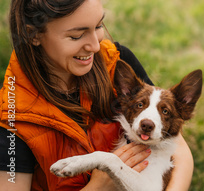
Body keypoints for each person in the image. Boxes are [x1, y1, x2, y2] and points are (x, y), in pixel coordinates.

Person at [0, 0, 194, 190]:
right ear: (33, 34)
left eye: (99, 25)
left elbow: (179, 150)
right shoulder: (12, 116)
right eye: (76, 35)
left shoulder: (116, 61)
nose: (95, 46)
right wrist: (99, 185)